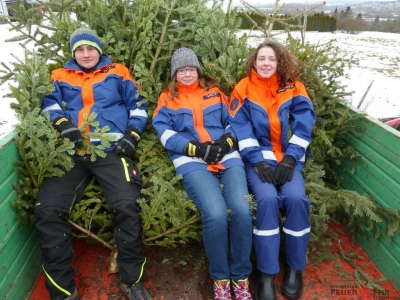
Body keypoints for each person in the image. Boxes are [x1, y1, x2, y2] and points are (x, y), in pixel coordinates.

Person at [35, 27, 151, 300]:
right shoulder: (59, 76)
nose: (86, 54)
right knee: (48, 209)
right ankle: (63, 290)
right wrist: (63, 125)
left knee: (127, 205)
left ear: (99, 50)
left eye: (91, 49)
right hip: (71, 152)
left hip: (111, 151)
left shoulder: (118, 72)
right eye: (80, 50)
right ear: (73, 53)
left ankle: (131, 280)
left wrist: (132, 135)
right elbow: (49, 105)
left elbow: (138, 105)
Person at [152, 47, 253, 300]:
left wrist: (226, 143)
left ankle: (240, 278)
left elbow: (233, 121)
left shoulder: (215, 92)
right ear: (175, 74)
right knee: (216, 214)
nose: (187, 74)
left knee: (242, 210)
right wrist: (194, 148)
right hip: (191, 161)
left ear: (198, 70)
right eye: (182, 70)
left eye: (191, 69)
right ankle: (220, 280)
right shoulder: (167, 98)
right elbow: (164, 132)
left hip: (226, 157)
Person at [228, 41, 316, 300]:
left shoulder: (295, 87)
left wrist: (290, 158)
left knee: (297, 199)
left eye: (272, 59)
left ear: (279, 62)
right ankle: (266, 273)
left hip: (288, 160)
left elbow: (304, 125)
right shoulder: (242, 88)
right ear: (254, 62)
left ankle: (295, 267)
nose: (266, 63)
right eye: (261, 59)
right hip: (258, 162)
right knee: (266, 200)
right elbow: (240, 128)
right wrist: (257, 160)